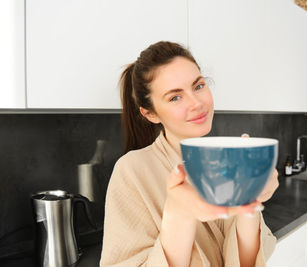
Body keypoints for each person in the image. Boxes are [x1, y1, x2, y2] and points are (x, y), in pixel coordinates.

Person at [100, 41, 279, 267]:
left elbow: (246, 262)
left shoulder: (225, 158)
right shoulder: (131, 171)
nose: (196, 103)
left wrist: (251, 201)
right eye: (175, 97)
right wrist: (179, 214)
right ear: (150, 114)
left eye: (198, 86)